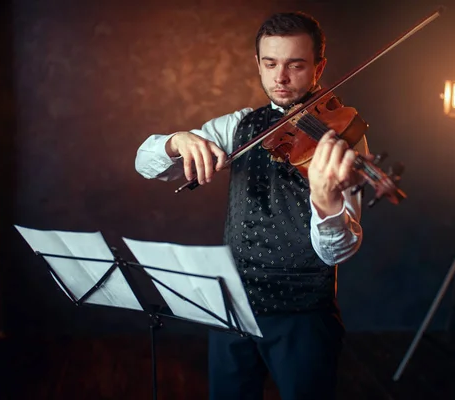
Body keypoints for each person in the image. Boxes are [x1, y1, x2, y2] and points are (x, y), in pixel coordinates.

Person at [135, 11, 370, 400]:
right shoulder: (238, 126)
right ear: (257, 65)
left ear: (319, 68)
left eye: (295, 65)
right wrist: (178, 141)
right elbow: (145, 163)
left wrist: (327, 203)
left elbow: (338, 251)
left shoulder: (340, 138)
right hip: (233, 307)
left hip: (303, 315)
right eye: (270, 63)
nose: (280, 78)